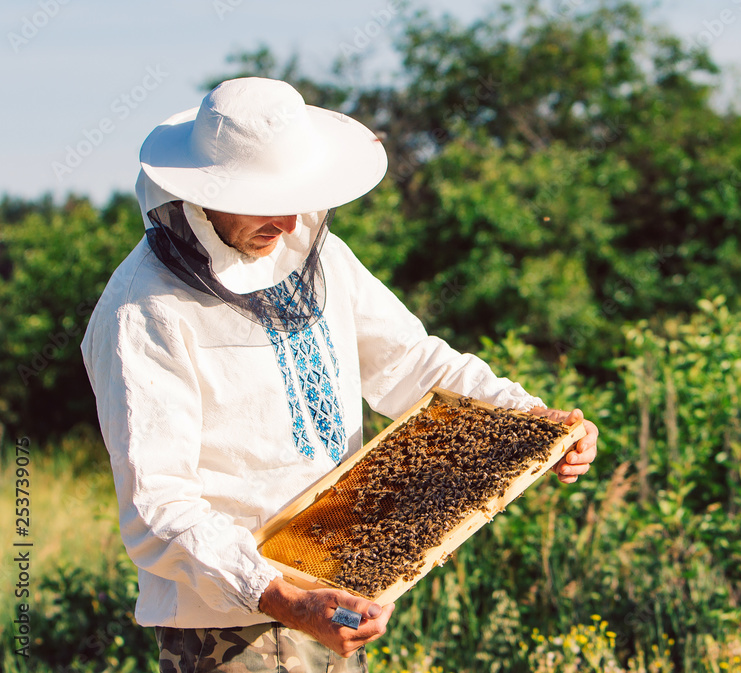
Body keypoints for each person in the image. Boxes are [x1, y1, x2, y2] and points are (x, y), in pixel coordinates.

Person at [81, 76, 599, 673]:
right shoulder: (143, 311)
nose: (287, 218)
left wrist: (533, 421)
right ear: (203, 191)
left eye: (295, 193)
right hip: (234, 627)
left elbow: (410, 362)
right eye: (260, 197)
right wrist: (285, 597)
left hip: (333, 591)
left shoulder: (313, 252)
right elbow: (159, 506)